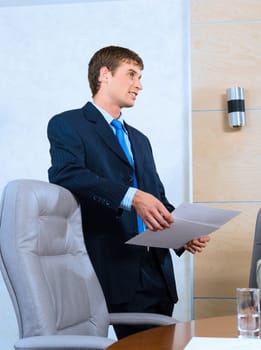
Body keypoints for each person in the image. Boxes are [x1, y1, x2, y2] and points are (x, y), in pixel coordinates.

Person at [47, 45, 210, 339]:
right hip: (108, 266)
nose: (140, 84)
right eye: (132, 74)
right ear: (105, 75)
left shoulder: (140, 140)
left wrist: (183, 234)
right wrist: (130, 196)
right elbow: (66, 173)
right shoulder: (68, 124)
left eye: (140, 76)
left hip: (155, 272)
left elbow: (156, 198)